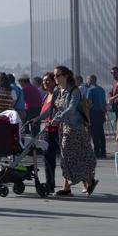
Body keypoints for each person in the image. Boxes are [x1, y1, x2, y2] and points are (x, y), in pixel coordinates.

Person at [50, 65, 97, 197]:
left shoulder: (74, 91)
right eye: (54, 75)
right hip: (63, 127)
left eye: (58, 75)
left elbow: (71, 108)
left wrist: (57, 118)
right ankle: (83, 182)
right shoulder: (57, 90)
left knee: (69, 155)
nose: (55, 78)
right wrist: (41, 118)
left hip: (75, 128)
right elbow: (52, 107)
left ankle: (81, 182)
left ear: (66, 76)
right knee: (68, 156)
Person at [38, 72, 61, 194]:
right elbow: (44, 113)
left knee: (66, 158)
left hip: (58, 130)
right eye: (43, 81)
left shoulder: (57, 95)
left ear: (54, 81)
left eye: (48, 80)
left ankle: (86, 180)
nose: (45, 83)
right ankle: (50, 185)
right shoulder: (46, 96)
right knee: (48, 159)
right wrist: (37, 120)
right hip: (46, 130)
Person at [82, 74, 108, 158]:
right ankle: (103, 151)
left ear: (91, 80)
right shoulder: (101, 89)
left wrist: (85, 114)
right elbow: (104, 103)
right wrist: (104, 113)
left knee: (94, 133)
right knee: (101, 133)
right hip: (100, 113)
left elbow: (89, 104)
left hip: (93, 113)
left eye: (88, 80)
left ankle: (96, 151)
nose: (87, 82)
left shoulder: (90, 90)